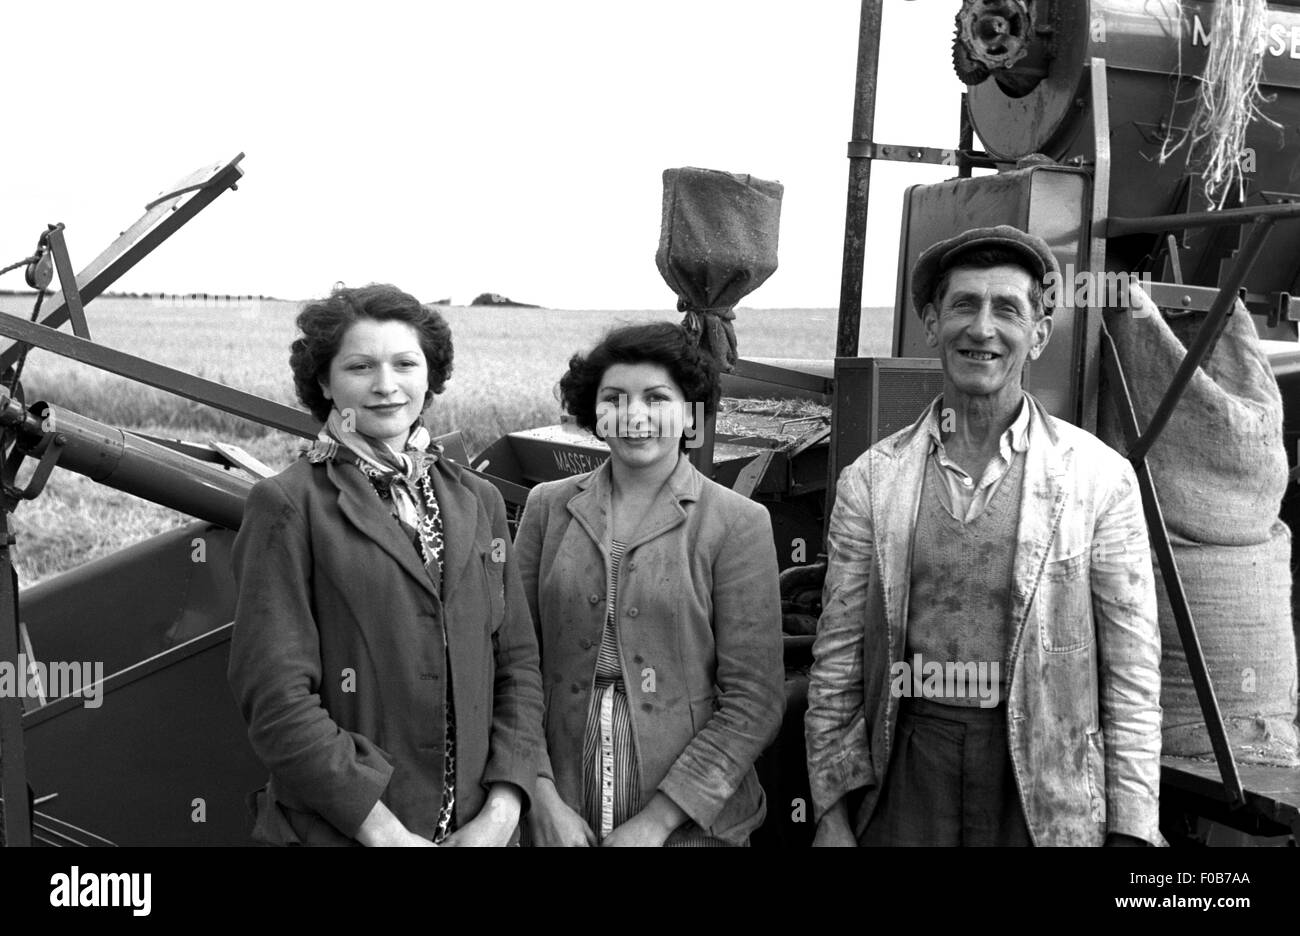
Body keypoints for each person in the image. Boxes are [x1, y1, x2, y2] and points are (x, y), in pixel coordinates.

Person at [805, 225, 1163, 847]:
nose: (982, 328)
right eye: (964, 305)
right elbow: (837, 660)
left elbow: (1132, 673)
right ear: (930, 322)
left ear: (1040, 333)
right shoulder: (873, 480)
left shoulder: (1100, 478)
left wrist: (1132, 829)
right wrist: (832, 809)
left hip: (1045, 773)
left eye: (1008, 309)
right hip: (910, 764)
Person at [228, 283, 543, 846]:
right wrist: (386, 834)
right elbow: (277, 698)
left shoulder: (479, 500)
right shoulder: (289, 504)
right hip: (347, 834)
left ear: (431, 376)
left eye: (405, 363)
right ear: (325, 382)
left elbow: (516, 663)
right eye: (359, 366)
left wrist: (499, 815)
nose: (385, 385)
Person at [515, 322, 785, 846]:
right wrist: (542, 799)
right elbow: (516, 669)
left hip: (691, 812)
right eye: (614, 398)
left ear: (689, 412)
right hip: (562, 799)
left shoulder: (736, 521)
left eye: (657, 398)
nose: (634, 416)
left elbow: (755, 699)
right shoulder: (547, 507)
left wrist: (656, 824)